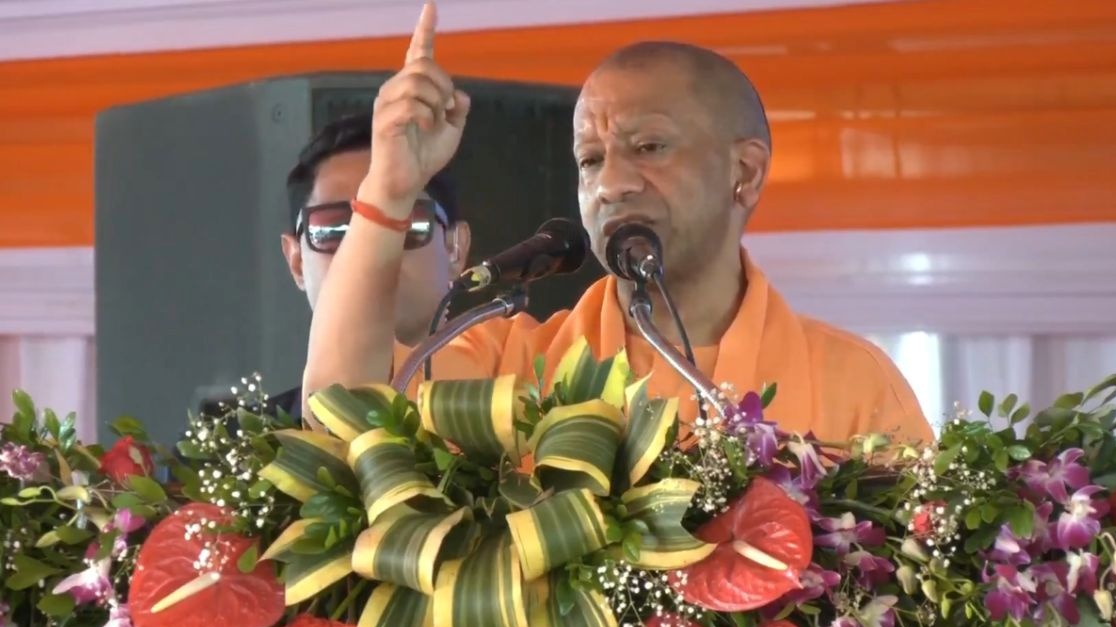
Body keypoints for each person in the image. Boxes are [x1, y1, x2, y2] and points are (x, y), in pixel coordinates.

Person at [302, 1, 933, 447]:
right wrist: (389, 189)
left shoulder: (854, 384)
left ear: (744, 172)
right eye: (590, 160)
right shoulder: (512, 366)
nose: (610, 184)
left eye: (649, 148)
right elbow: (340, 417)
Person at [205, 111, 471, 421]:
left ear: (454, 248)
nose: (370, 249)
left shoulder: (516, 426)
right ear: (296, 262)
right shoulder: (234, 445)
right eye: (334, 228)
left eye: (404, 219)